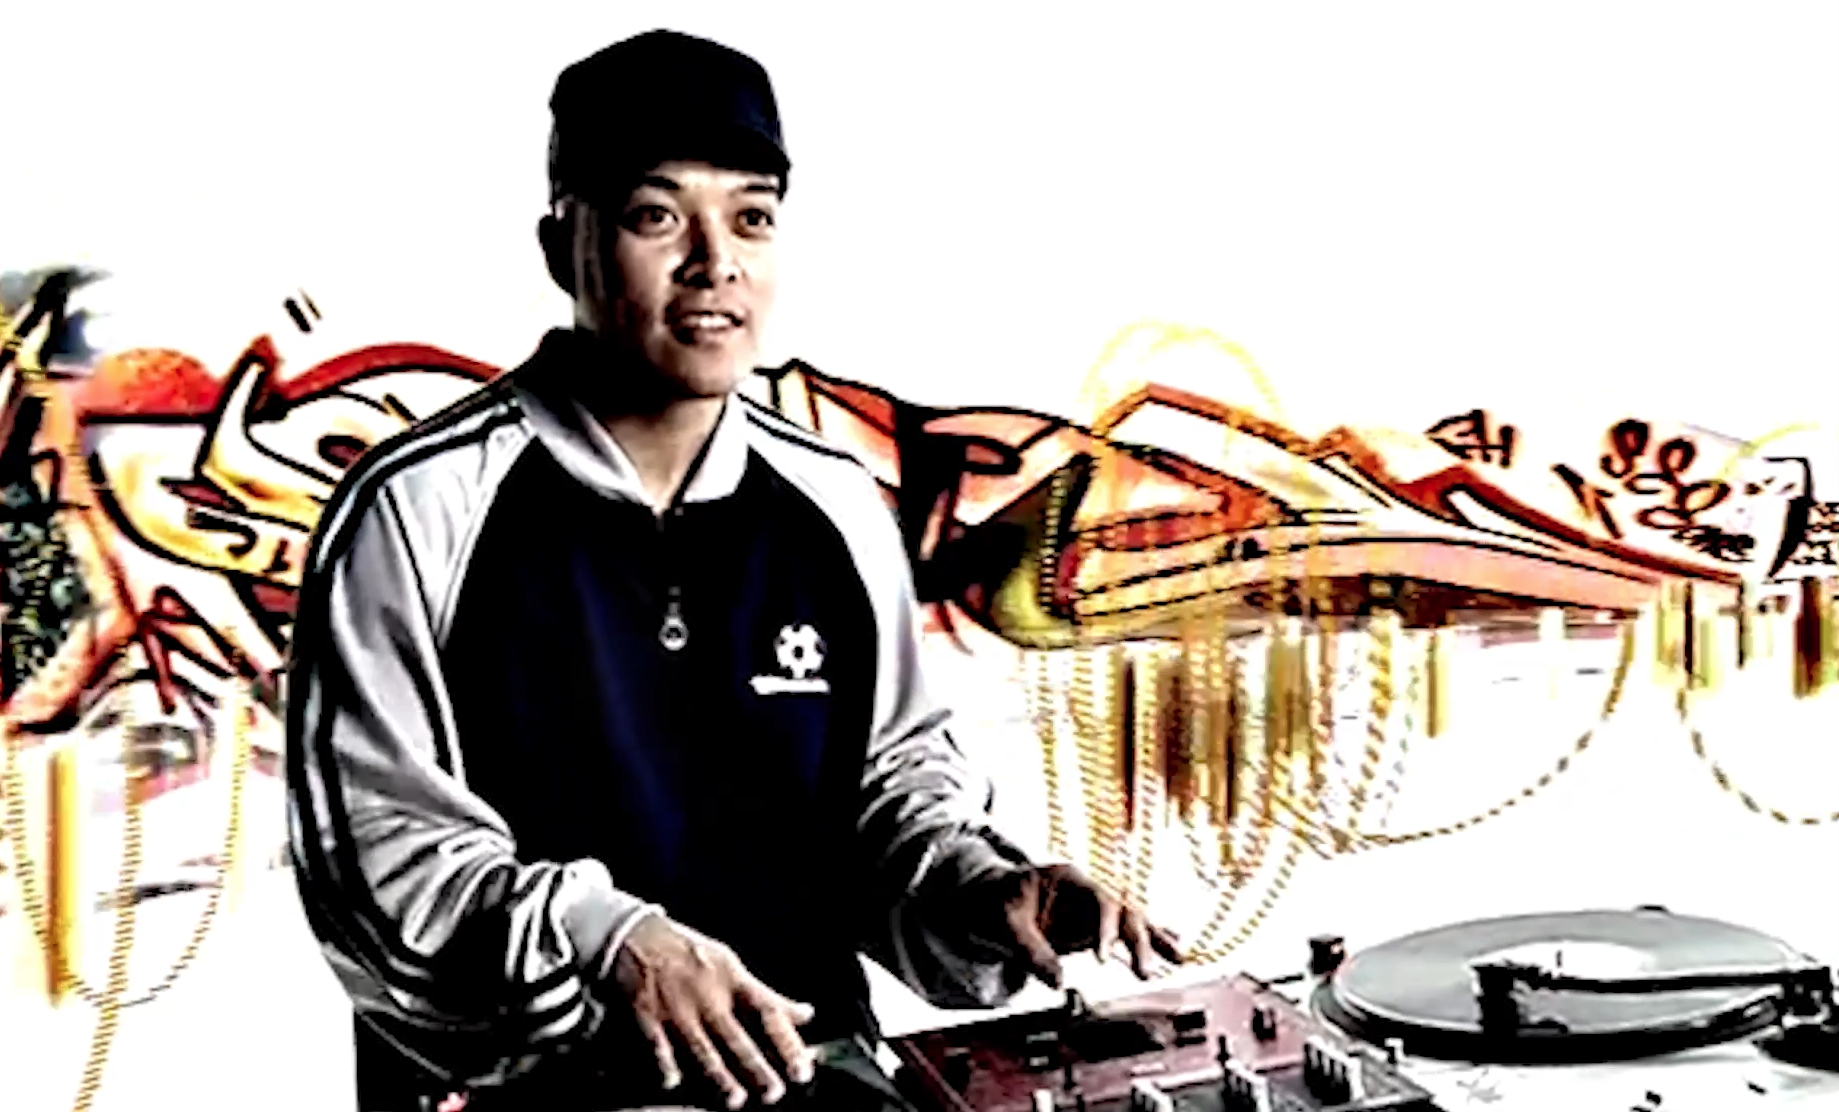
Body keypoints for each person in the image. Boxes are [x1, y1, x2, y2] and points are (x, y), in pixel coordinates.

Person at [285, 29, 1179, 1112]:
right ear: (562, 244)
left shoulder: (835, 504)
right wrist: (611, 940)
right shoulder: (416, 508)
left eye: (751, 218)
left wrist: (979, 889)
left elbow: (889, 790)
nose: (716, 263)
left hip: (811, 1080)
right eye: (656, 216)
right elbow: (375, 866)